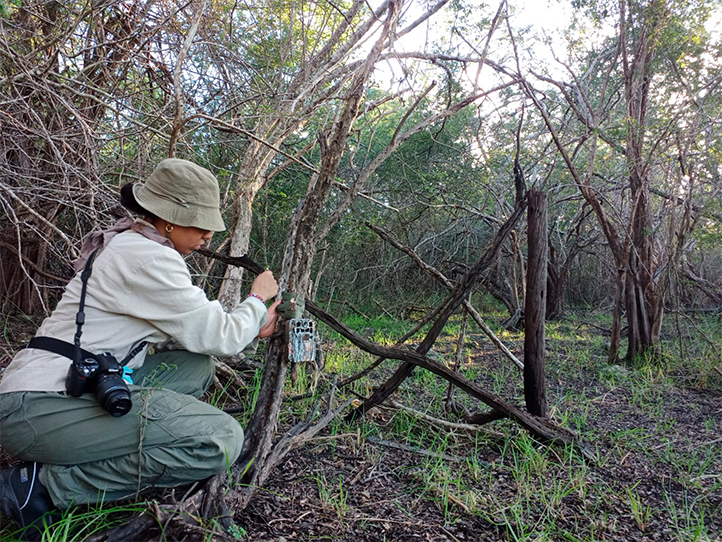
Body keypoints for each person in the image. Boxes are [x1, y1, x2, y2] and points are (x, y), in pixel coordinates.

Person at [0, 158, 280, 540]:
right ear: (168, 219)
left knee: (195, 367)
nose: (208, 237)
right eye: (200, 225)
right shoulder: (148, 257)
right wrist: (257, 299)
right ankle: (43, 487)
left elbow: (192, 332)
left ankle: (88, 447)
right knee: (221, 439)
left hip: (55, 390)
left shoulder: (132, 244)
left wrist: (253, 323)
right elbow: (223, 337)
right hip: (37, 408)